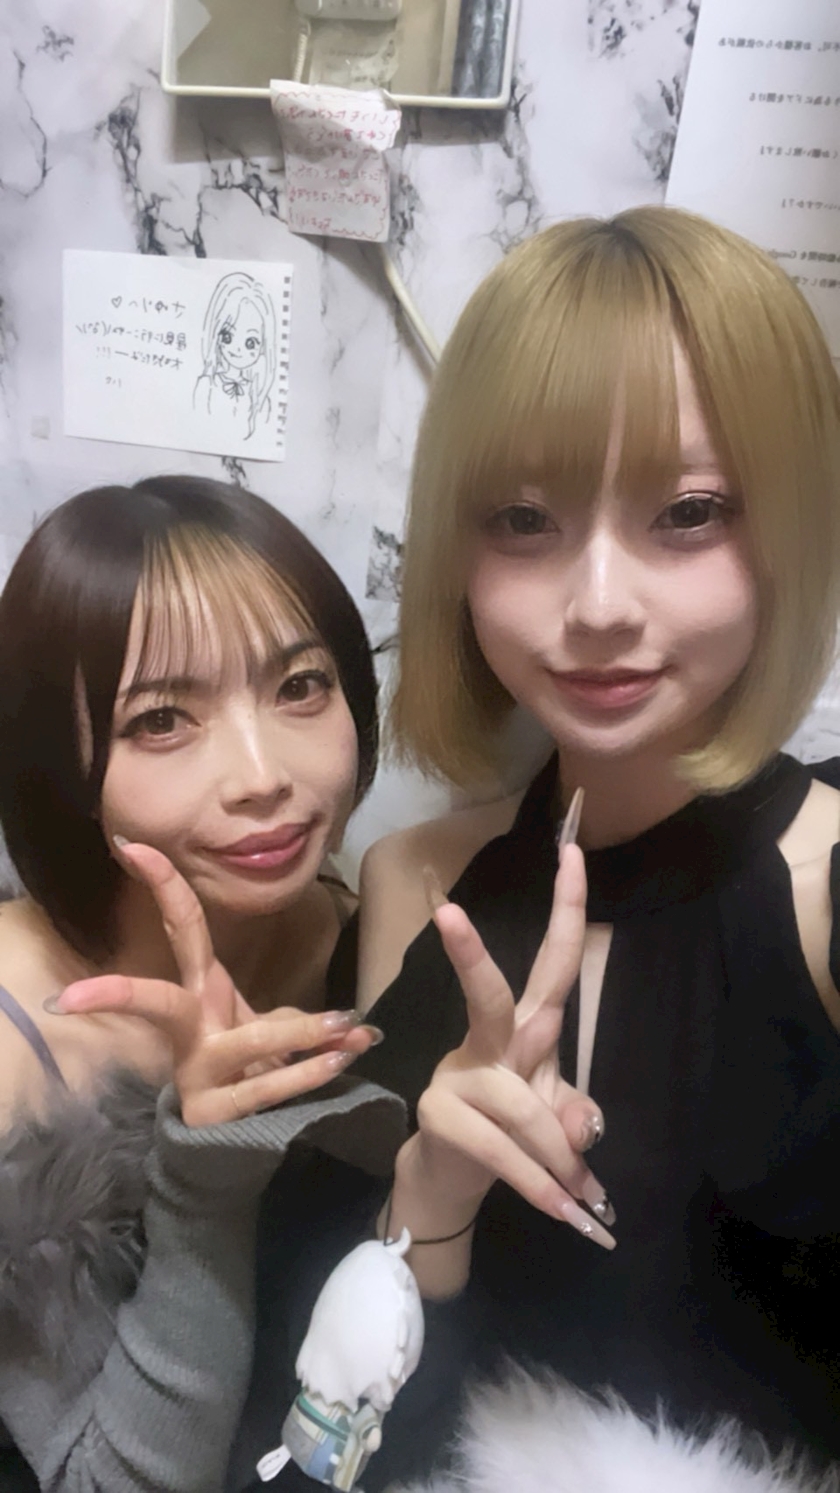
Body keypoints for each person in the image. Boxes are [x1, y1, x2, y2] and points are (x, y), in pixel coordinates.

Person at [225, 206, 840, 1490]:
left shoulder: (823, 886)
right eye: (521, 519)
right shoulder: (414, 882)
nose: (598, 604)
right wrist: (430, 1197)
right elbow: (328, 1440)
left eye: (687, 512)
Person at [0, 475, 405, 1492]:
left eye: (300, 685)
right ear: (59, 757)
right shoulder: (14, 1046)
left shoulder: (376, 931)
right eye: (161, 720)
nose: (263, 774)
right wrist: (205, 1171)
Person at [193, 272, 277, 439]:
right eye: (227, 336)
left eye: (250, 343)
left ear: (263, 346)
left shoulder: (260, 399)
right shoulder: (206, 386)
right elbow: (195, 428)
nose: (237, 349)